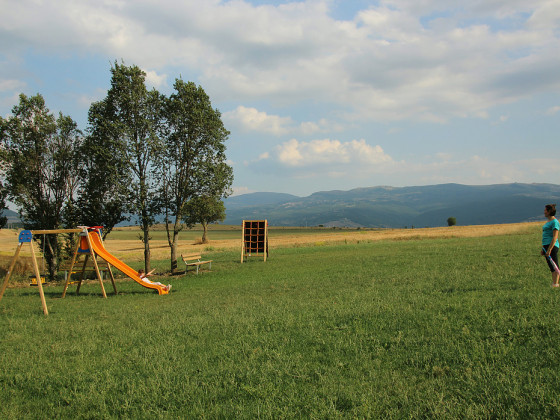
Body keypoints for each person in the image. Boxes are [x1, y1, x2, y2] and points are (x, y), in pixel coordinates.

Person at [541, 204, 560, 288]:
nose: (544, 212)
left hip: (552, 246)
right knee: (551, 265)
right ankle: (554, 283)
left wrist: (549, 249)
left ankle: (556, 284)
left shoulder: (555, 222)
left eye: (545, 210)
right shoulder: (548, 221)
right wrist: (544, 248)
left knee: (554, 264)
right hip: (546, 246)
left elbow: (555, 237)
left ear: (549, 212)